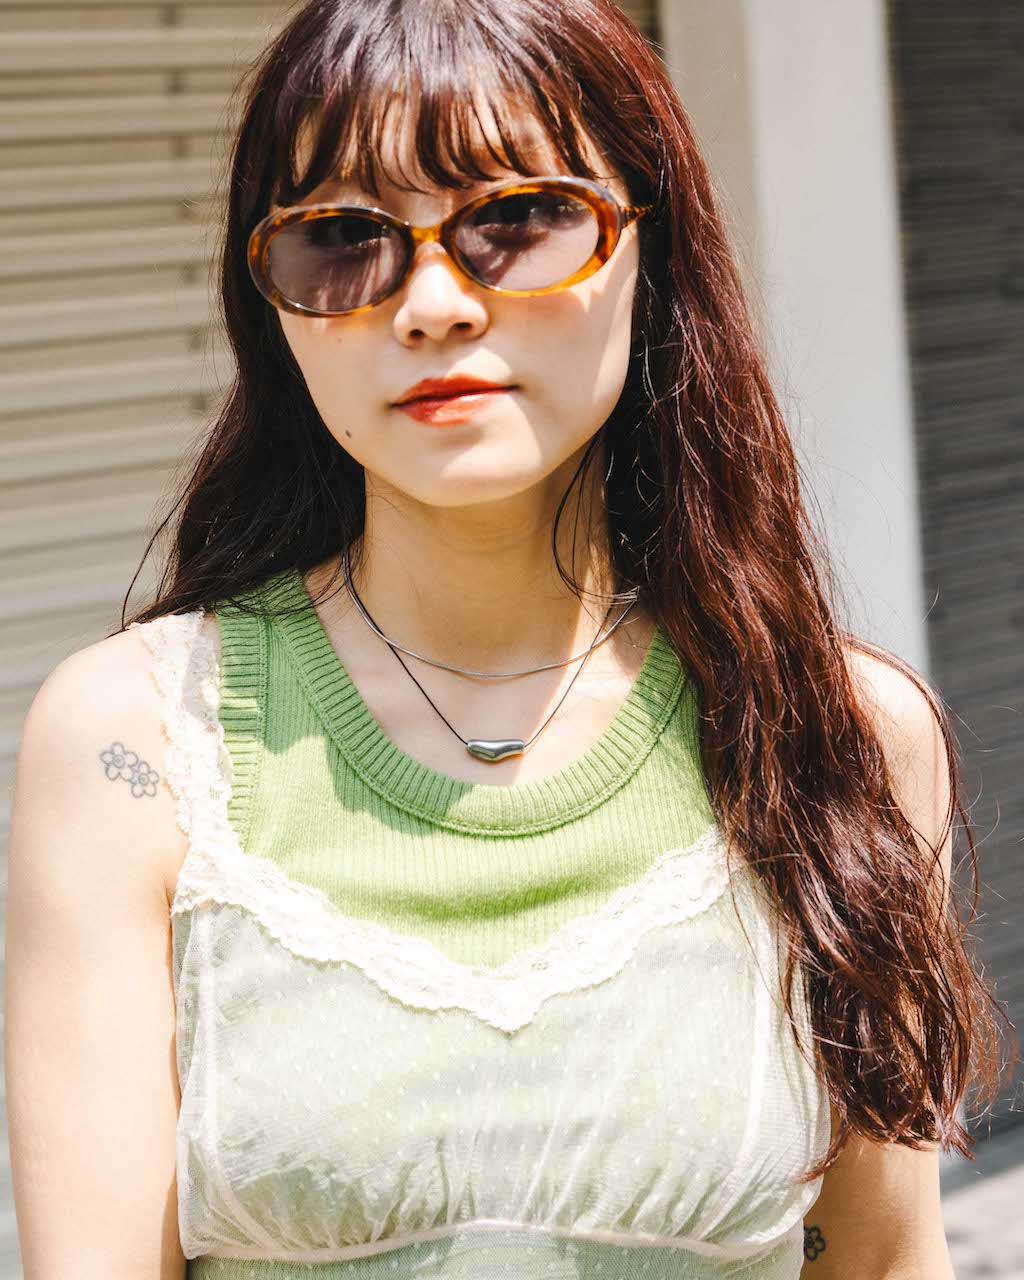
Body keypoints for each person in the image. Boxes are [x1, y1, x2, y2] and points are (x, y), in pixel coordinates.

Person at [4, 1, 1009, 1277]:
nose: (431, 303)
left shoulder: (839, 731)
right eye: (341, 239)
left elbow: (878, 1255)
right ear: (274, 310)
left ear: (651, 249)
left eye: (518, 218)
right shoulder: (137, 740)